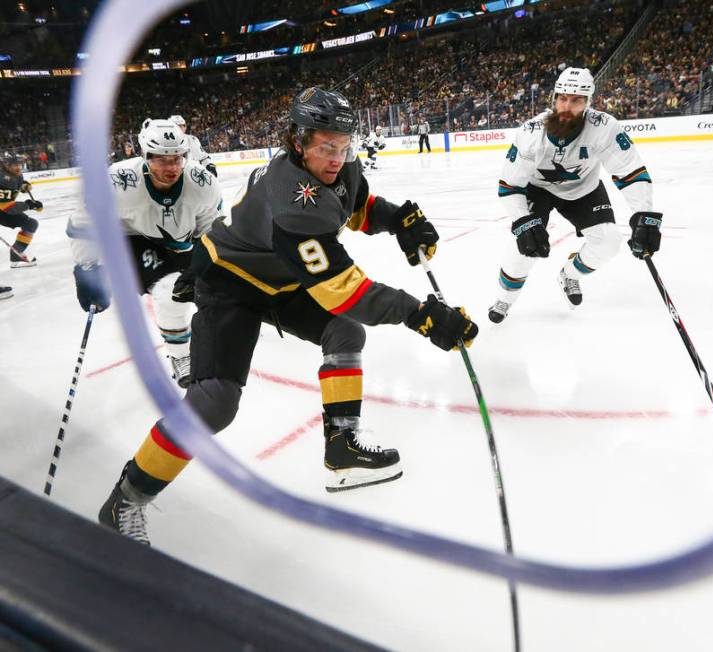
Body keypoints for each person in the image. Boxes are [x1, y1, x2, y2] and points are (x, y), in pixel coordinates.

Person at [97, 87, 478, 545]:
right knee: (215, 402)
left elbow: (354, 205)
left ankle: (342, 447)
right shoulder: (292, 204)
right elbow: (346, 292)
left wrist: (399, 219)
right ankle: (126, 499)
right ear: (297, 141)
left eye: (343, 145)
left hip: (278, 274)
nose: (337, 157)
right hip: (230, 281)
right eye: (325, 147)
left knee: (344, 333)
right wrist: (423, 316)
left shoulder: (340, 168)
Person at [488, 67, 662, 323]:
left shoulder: (604, 127)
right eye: (562, 98)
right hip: (539, 188)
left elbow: (630, 171)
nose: (567, 106)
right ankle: (505, 298)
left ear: (588, 102)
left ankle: (570, 275)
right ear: (554, 99)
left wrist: (643, 213)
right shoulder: (531, 132)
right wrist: (523, 222)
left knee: (609, 242)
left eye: (576, 100)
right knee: (523, 247)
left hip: (583, 188)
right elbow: (510, 186)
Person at [68, 118, 224, 388]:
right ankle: (180, 356)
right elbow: (83, 221)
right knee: (168, 291)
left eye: (177, 158)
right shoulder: (117, 181)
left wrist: (204, 265)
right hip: (132, 239)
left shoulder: (202, 182)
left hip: (181, 242)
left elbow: (214, 229)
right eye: (162, 159)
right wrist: (86, 268)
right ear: (145, 156)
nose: (172, 167)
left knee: (210, 287)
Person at [0, 152, 42, 268]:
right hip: (2, 210)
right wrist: (29, 205)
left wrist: (23, 185)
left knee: (30, 224)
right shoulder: (3, 179)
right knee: (30, 224)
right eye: (13, 164)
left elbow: (16, 185)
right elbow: (6, 207)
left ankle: (15, 255)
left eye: (18, 163)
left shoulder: (15, 175)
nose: (18, 167)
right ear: (6, 165)